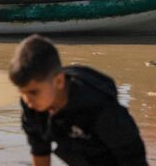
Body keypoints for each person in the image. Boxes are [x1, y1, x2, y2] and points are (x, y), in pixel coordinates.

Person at [9, 34, 148, 166]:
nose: (28, 100)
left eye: (33, 92)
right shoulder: (33, 106)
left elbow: (133, 157)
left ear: (58, 81)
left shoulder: (99, 108)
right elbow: (39, 148)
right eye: (23, 93)